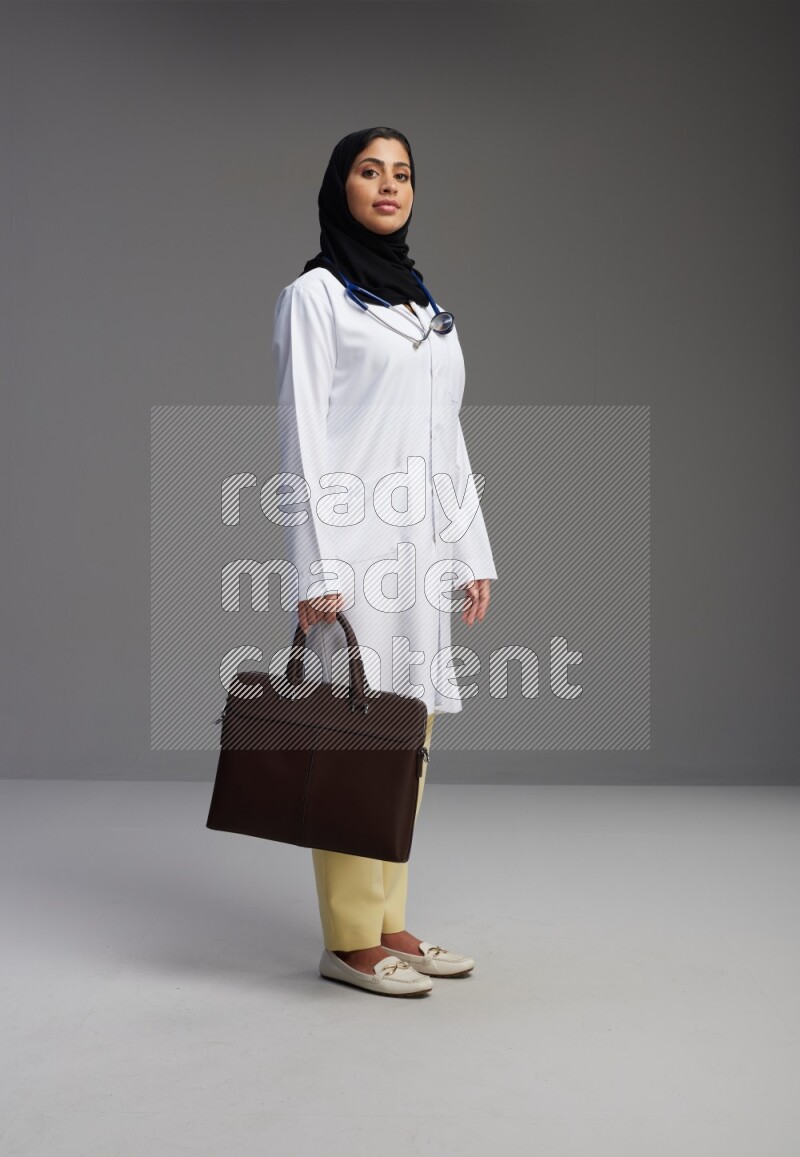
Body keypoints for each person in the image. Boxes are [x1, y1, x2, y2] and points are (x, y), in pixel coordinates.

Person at [272, 127, 497, 997]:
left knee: (408, 739)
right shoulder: (318, 297)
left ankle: (388, 919)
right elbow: (301, 436)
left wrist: (472, 549)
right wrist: (313, 569)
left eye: (403, 173)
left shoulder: (422, 310)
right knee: (353, 738)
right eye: (371, 171)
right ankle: (347, 937)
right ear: (341, 186)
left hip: (421, 550)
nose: (389, 185)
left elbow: (450, 436)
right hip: (353, 550)